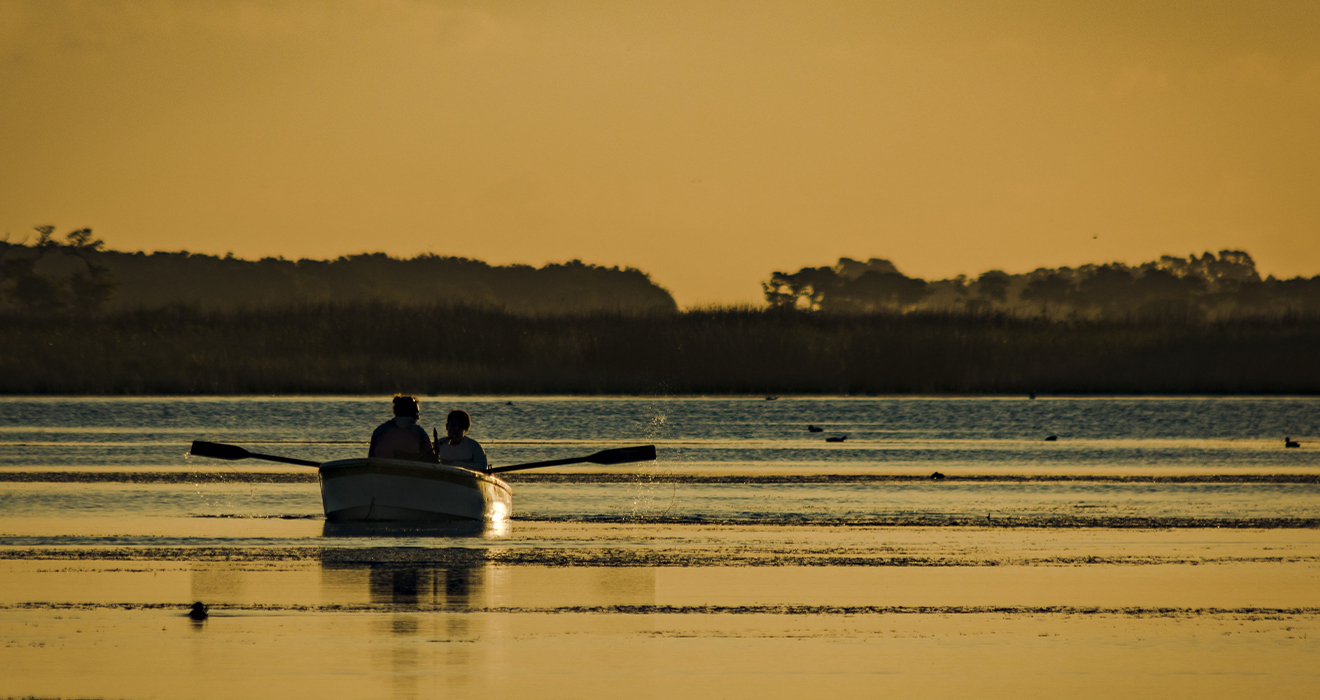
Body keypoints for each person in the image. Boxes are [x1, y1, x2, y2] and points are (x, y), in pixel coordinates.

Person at [369, 395, 433, 460]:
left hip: (380, 466)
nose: (418, 417)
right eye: (416, 413)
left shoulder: (379, 431)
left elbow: (370, 458)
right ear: (409, 412)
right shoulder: (420, 433)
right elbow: (430, 458)